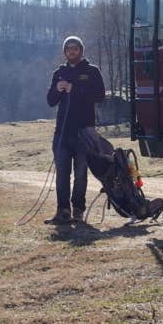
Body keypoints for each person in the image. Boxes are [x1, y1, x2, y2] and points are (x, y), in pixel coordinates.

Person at [45, 35, 106, 225]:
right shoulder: (59, 73)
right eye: (68, 49)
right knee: (62, 173)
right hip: (62, 133)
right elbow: (50, 101)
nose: (72, 51)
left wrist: (75, 89)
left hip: (84, 131)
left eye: (75, 48)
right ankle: (62, 211)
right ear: (65, 52)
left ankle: (78, 211)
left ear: (81, 51)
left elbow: (100, 96)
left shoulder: (92, 71)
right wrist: (57, 89)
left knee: (81, 174)